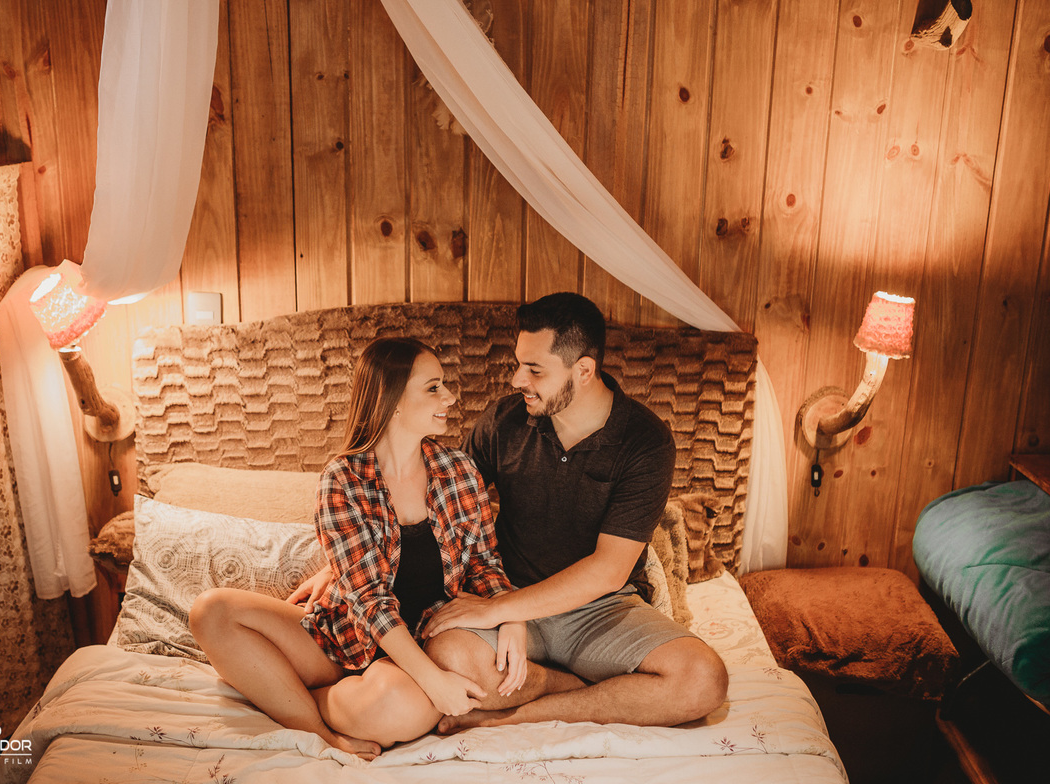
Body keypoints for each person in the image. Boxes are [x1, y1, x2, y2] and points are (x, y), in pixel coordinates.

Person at [296, 293, 729, 735]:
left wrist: (497, 610)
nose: (518, 378)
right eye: (518, 363)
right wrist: (342, 566)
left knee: (703, 680)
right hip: (505, 597)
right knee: (449, 656)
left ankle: (519, 712)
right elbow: (434, 503)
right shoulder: (504, 421)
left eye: (535, 370)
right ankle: (596, 689)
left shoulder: (645, 441)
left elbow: (608, 571)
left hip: (598, 610)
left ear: (583, 370)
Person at [190, 338, 527, 760]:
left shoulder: (458, 471)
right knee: (211, 610)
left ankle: (285, 692)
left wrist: (512, 614)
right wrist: (436, 683)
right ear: (393, 400)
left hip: (414, 645)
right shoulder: (343, 480)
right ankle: (315, 727)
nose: (450, 397)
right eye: (434, 387)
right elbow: (369, 600)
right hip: (342, 635)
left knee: (399, 711)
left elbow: (484, 565)